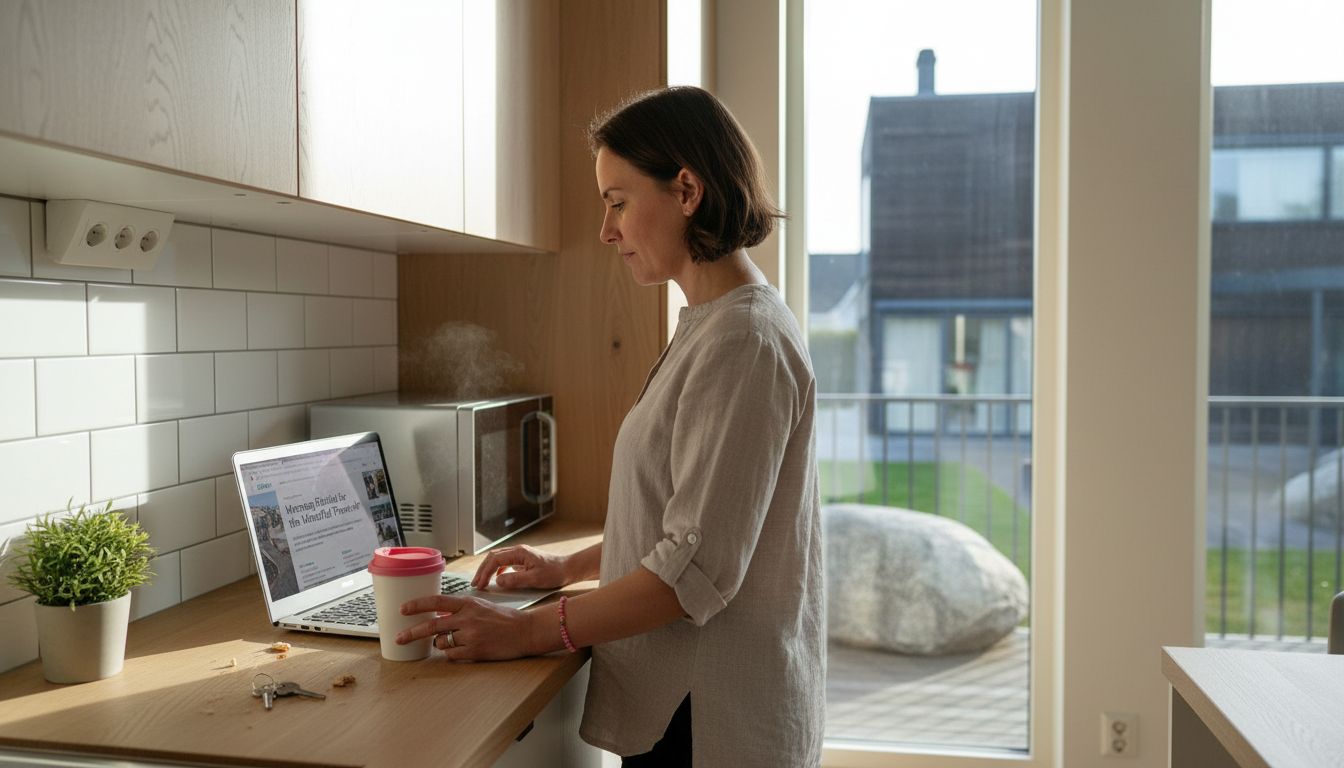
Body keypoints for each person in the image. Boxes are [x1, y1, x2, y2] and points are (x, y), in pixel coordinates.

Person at [394, 86, 824, 766]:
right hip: (690, 702)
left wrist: (529, 631)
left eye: (618, 202)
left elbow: (692, 573)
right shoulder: (715, 324)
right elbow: (684, 517)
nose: (606, 230)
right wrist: (568, 564)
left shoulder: (743, 340)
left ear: (686, 189)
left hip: (710, 720)